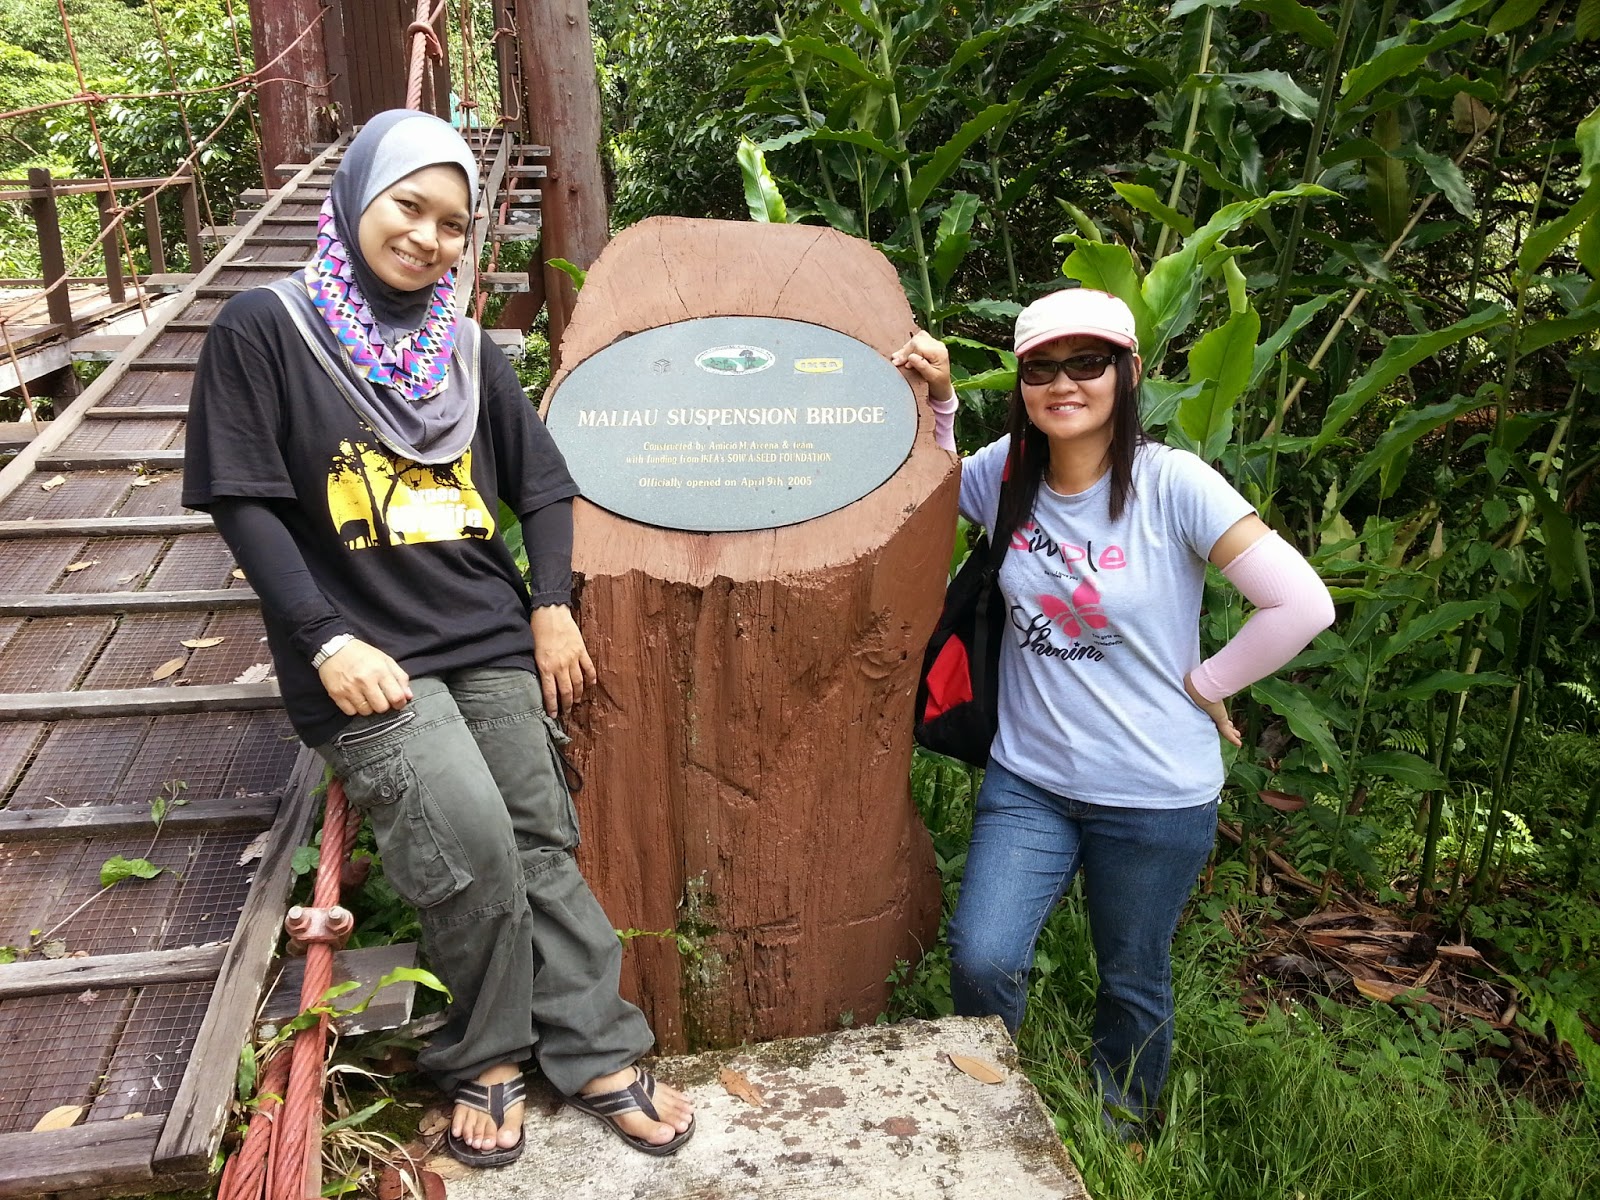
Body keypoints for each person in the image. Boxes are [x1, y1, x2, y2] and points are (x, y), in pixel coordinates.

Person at [181, 109, 694, 1168]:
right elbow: (245, 500)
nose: (427, 237)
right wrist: (324, 640)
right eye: (407, 206)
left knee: (540, 839)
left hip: (487, 631)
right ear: (355, 199)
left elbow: (540, 485)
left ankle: (596, 1047)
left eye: (453, 224)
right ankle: (486, 1051)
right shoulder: (265, 328)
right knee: (469, 846)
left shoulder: (460, 348)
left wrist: (549, 602)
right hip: (365, 656)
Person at [892, 288, 1334, 1133]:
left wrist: (1208, 684)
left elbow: (1302, 604)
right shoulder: (1007, 473)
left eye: (1087, 363)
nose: (1064, 383)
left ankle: (1121, 1125)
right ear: (1022, 383)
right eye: (1041, 368)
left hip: (1153, 792)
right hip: (1030, 779)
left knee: (1131, 975)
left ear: (1128, 372)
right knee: (982, 955)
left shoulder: (1173, 483)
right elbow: (931, 489)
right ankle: (991, 1118)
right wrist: (942, 399)